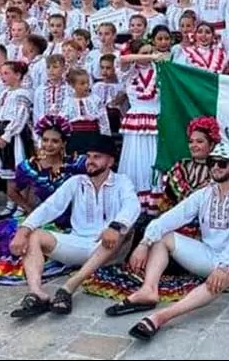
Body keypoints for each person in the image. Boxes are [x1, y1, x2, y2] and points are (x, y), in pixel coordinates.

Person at [112, 142, 229, 341]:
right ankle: (148, 290)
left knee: (225, 277)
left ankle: (161, 317)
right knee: (162, 236)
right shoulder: (204, 194)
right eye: (212, 163)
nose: (216, 167)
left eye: (222, 163)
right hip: (208, 253)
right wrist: (144, 243)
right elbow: (172, 217)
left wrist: (224, 267)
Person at [84, 116, 225, 304]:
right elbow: (166, 205)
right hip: (175, 222)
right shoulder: (180, 167)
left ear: (212, 144)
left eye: (200, 142)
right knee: (146, 230)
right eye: (191, 141)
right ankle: (148, 279)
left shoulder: (219, 172)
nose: (194, 145)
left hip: (203, 229)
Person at [7, 132, 139, 318]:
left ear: (110, 161)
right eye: (89, 157)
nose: (90, 161)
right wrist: (24, 229)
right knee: (34, 235)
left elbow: (132, 205)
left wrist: (115, 226)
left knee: (124, 230)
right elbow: (50, 207)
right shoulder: (76, 182)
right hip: (78, 244)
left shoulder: (122, 182)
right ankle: (37, 293)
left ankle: (68, 288)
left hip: (108, 249)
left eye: (97, 157)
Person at [0, 114, 87, 285]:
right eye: (45, 140)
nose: (49, 145)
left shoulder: (76, 164)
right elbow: (12, 191)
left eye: (55, 141)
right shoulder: (31, 167)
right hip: (44, 219)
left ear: (64, 143)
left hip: (73, 223)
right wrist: (30, 210)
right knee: (7, 237)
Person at [118, 42, 167, 214]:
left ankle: (155, 201)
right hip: (136, 119)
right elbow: (123, 58)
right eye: (143, 53)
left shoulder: (160, 70)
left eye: (150, 51)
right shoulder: (128, 71)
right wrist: (152, 56)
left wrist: (154, 59)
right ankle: (135, 204)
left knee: (153, 158)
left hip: (156, 117)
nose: (148, 56)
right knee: (136, 159)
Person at [0, 61, 34, 221]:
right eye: (2, 73)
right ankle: (10, 203)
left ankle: (22, 206)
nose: (3, 76)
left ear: (18, 75)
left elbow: (20, 117)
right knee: (8, 170)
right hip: (2, 133)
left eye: (6, 73)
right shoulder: (4, 93)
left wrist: (6, 136)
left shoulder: (23, 94)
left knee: (18, 168)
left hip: (16, 136)